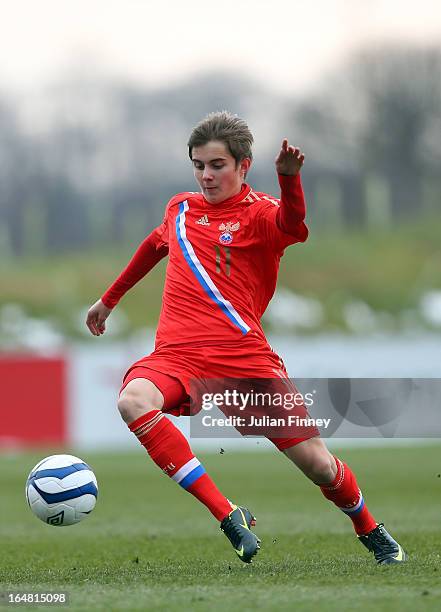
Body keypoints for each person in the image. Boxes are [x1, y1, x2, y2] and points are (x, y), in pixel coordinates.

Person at [86, 111, 406, 565]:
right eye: (199, 165)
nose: (206, 175)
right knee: (132, 400)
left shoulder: (260, 214)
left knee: (318, 465)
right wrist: (109, 299)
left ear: (243, 166)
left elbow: (294, 225)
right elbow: (154, 246)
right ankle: (227, 513)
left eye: (216, 165)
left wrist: (290, 180)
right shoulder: (179, 209)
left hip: (244, 359)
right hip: (178, 356)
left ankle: (368, 527)